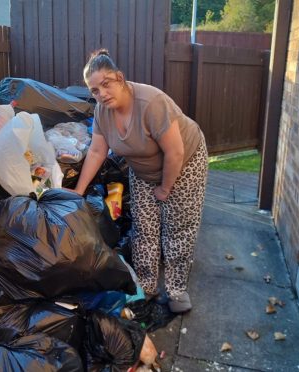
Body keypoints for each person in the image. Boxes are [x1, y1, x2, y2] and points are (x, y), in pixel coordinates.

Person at [72, 49, 208, 313]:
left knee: (177, 228)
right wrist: (78, 191)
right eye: (95, 90)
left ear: (120, 78)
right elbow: (98, 151)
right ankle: (146, 285)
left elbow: (175, 152)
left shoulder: (151, 102)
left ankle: (176, 290)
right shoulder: (102, 112)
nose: (102, 93)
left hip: (184, 162)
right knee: (144, 228)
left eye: (106, 84)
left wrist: (165, 188)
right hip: (143, 169)